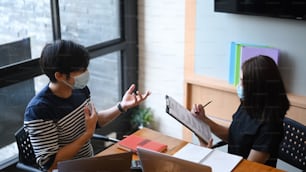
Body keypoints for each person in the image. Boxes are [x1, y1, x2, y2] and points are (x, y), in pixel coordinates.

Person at [24, 40, 150, 171]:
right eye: (81, 70)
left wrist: (122, 106)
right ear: (60, 75)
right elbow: (51, 164)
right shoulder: (39, 110)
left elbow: (94, 121)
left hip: (90, 164)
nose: (86, 73)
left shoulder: (79, 89)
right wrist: (86, 135)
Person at [191, 55, 290, 167]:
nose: (238, 85)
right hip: (233, 165)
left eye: (242, 81)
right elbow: (233, 136)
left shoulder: (271, 126)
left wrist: (210, 157)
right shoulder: (248, 105)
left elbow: (248, 168)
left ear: (256, 87)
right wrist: (204, 120)